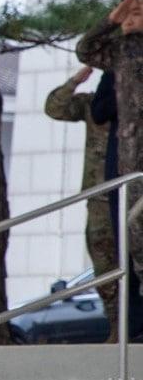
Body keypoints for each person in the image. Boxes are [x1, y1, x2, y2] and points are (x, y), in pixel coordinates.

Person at [45, 67, 119, 338]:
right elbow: (54, 107)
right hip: (100, 194)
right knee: (104, 262)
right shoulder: (94, 105)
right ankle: (116, 326)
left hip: (134, 195)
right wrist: (76, 79)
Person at [77, 0, 143, 283]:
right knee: (129, 244)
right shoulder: (122, 50)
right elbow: (86, 50)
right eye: (126, 12)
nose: (130, 17)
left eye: (138, 11)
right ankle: (134, 324)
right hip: (127, 161)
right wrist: (112, 19)